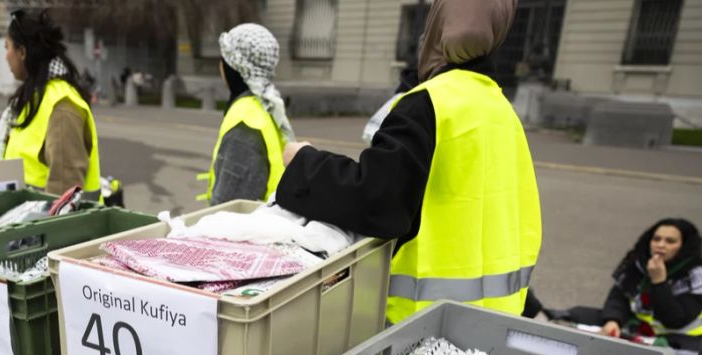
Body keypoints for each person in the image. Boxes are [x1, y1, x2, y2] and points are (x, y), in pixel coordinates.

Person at [276, 0, 541, 325]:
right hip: (492, 329)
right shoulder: (502, 110)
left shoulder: (429, 102)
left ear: (438, 28)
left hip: (421, 330)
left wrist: (303, 162)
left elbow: (374, 200)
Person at [551, 219, 701, 351]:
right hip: (638, 326)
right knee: (577, 313)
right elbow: (618, 295)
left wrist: (659, 282)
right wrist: (613, 320)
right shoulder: (639, 262)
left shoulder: (696, 273)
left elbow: (674, 319)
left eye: (670, 241)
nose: (661, 245)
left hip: (677, 336)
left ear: (684, 246)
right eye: (656, 239)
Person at [0, 9, 101, 198]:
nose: (5, 56)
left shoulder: (62, 107)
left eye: (7, 47)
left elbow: (62, 206)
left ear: (22, 52)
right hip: (24, 222)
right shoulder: (34, 98)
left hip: (44, 226)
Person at [197, 23, 294, 205]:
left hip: (248, 231)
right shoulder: (264, 108)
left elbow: (229, 210)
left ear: (232, 68)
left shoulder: (246, 122)